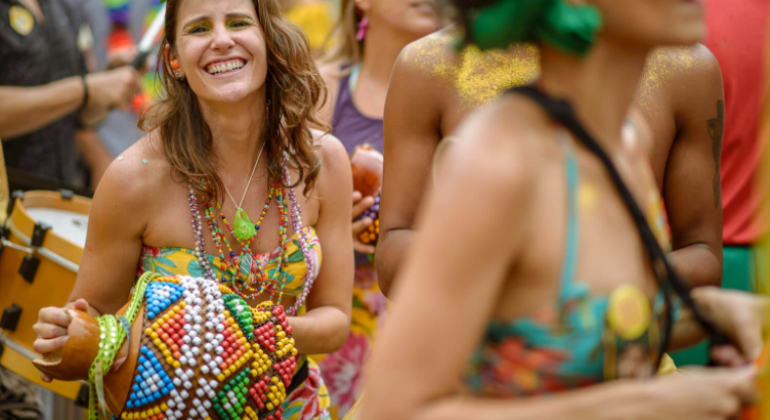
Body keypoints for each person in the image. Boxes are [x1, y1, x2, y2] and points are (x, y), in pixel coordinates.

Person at [361, 1, 767, 419]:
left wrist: (715, 312)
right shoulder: (502, 162)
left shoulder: (625, 145)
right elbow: (394, 411)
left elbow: (576, 330)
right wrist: (646, 404)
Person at [31, 0, 354, 419]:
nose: (222, 40)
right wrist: (65, 337)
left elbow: (335, 321)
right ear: (174, 59)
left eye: (239, 22)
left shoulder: (322, 161)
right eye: (199, 29)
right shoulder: (133, 179)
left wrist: (234, 334)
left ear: (269, 42)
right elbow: (90, 317)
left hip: (292, 406)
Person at [376, 31, 724, 313]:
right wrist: (525, 273)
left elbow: (702, 256)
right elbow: (393, 256)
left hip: (625, 365)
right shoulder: (430, 65)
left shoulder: (684, 68)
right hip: (471, 371)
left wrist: (593, 291)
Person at [313, 0, 438, 417]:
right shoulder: (321, 91)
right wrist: (324, 231)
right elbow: (274, 209)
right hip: (336, 312)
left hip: (423, 313)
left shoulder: (458, 92)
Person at [0, 0, 140, 187]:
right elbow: (80, 90)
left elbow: (81, 121)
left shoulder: (59, 6)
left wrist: (105, 90)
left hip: (56, 195)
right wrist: (86, 89)